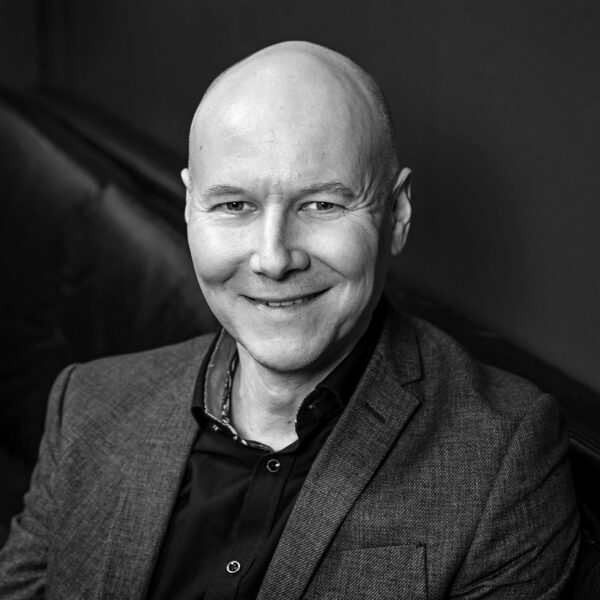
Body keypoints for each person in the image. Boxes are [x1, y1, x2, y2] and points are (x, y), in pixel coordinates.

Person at [0, 41, 580, 599]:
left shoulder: (501, 458)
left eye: (321, 205)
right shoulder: (87, 406)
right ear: (190, 209)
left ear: (396, 214)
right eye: (234, 205)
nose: (274, 258)